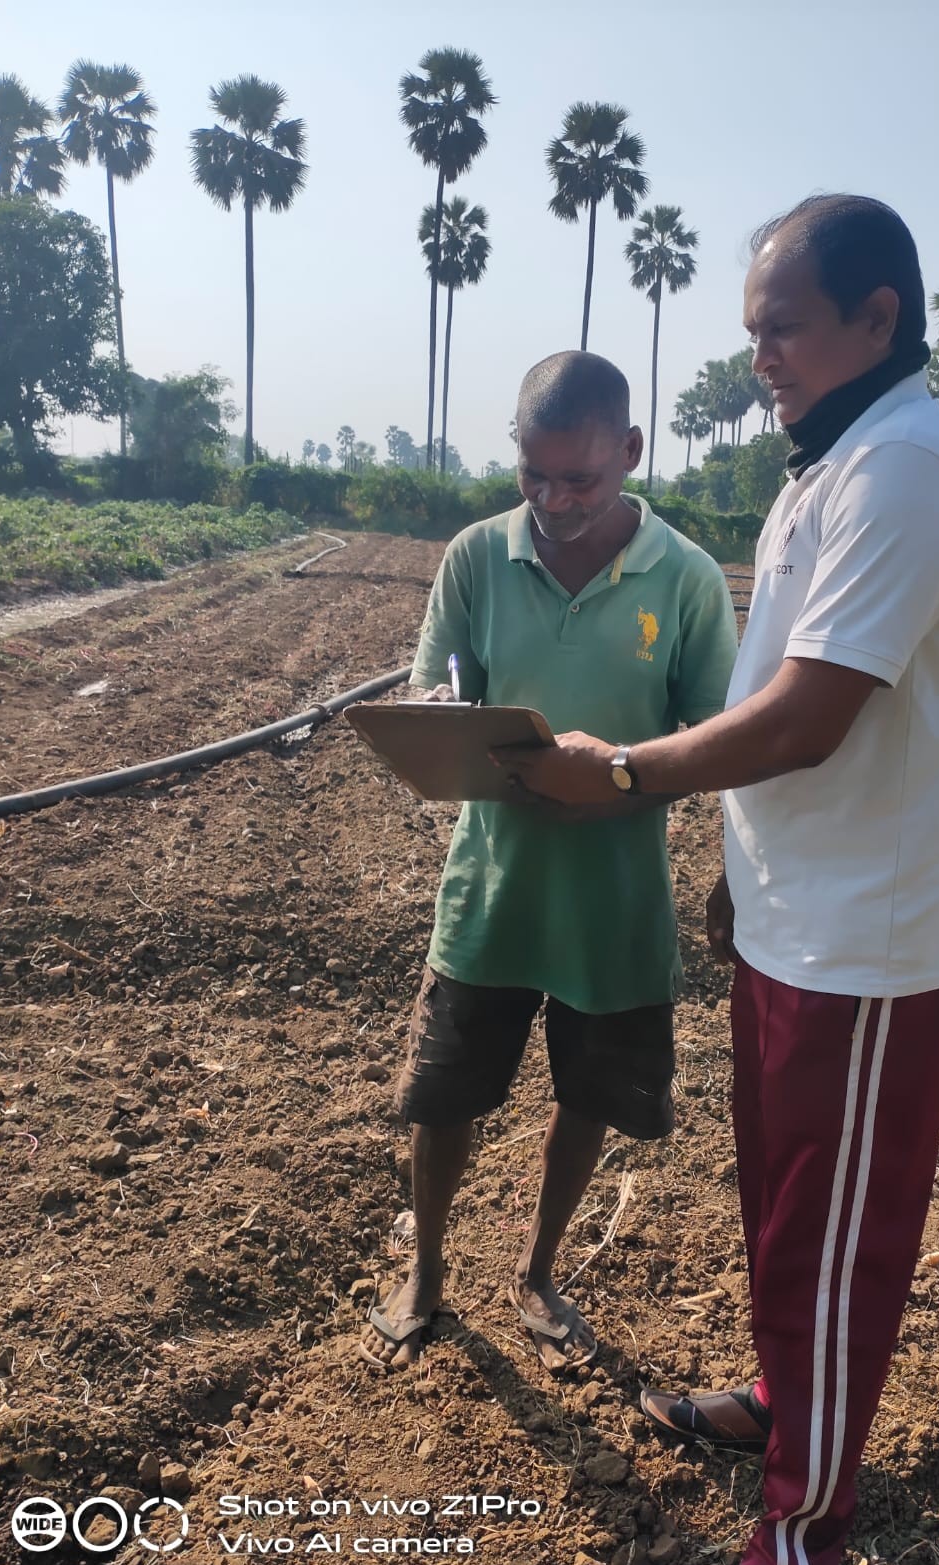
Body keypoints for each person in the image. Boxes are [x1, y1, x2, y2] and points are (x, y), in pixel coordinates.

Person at [499, 196, 939, 1565]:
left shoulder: (908, 470)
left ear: (877, 319)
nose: (760, 357)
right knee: (788, 1229)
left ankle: (797, 1551)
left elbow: (805, 716)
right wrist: (736, 876)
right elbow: (783, 697)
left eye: (781, 328)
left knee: (835, 1254)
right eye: (751, 332)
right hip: (799, 921)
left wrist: (627, 771)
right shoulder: (832, 463)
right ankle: (789, 1422)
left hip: (868, 951)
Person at [362, 350, 738, 1374]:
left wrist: (613, 781)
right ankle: (428, 1272)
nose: (556, 500)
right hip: (492, 890)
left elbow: (720, 738)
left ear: (629, 451)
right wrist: (439, 722)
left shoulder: (689, 581)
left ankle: (536, 1270)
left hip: (616, 904)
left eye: (581, 479)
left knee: (588, 1096)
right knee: (443, 1094)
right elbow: (442, 684)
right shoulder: (478, 557)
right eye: (534, 476)